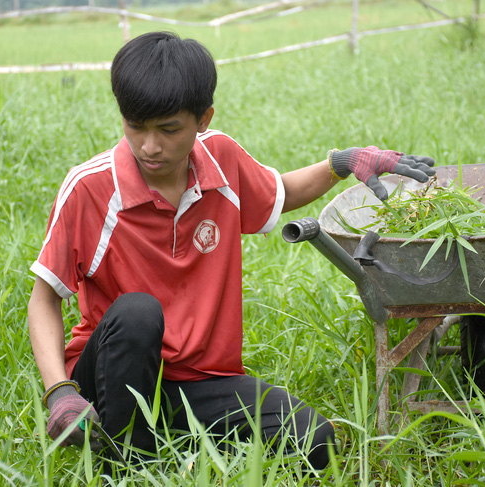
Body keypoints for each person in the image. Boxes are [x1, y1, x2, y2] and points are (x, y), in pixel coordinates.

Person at [27, 31, 435, 474]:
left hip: (200, 382)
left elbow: (281, 191)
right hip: (112, 377)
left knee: (316, 441)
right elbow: (44, 299)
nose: (149, 146)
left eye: (167, 129)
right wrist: (60, 392)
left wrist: (342, 163)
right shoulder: (89, 188)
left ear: (204, 118)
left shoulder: (221, 160)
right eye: (135, 126)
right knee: (138, 314)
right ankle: (124, 466)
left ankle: (175, 445)